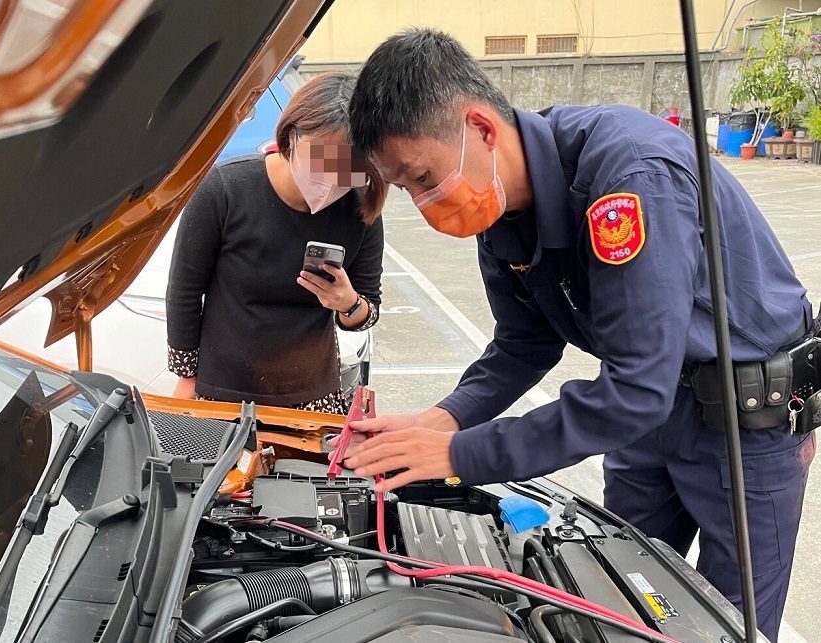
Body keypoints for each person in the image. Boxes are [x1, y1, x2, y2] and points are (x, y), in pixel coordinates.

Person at [338, 29, 815, 641]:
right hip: (646, 416)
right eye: (406, 189)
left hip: (745, 424)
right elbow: (523, 343)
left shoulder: (627, 179)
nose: (423, 201)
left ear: (481, 128)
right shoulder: (502, 209)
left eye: (423, 176)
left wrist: (461, 457)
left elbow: (636, 387)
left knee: (722, 624)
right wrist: (442, 421)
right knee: (616, 601)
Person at [166, 72, 386, 414]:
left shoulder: (361, 209)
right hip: (221, 391)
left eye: (347, 165)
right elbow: (184, 291)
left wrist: (348, 303)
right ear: (291, 137)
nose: (331, 177)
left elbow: (366, 310)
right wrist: (186, 375)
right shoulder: (225, 189)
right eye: (321, 158)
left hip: (314, 397)